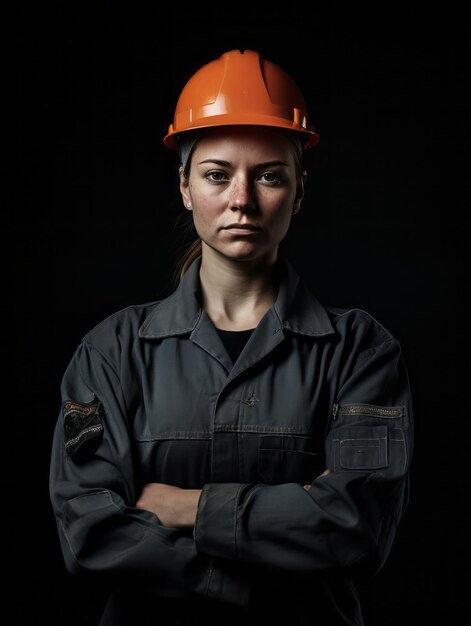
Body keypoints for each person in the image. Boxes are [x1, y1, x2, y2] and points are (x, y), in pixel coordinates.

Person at [49, 49, 413, 626]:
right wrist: (258, 562)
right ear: (186, 187)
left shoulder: (360, 351)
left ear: (298, 191)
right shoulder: (111, 352)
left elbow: (357, 528)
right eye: (217, 175)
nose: (241, 200)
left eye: (269, 175)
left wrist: (187, 506)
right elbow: (90, 529)